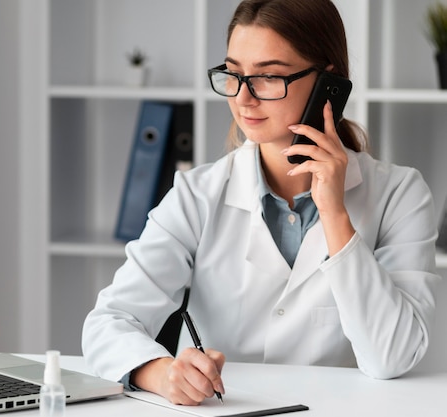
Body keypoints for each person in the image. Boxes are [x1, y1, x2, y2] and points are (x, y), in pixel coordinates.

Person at [82, 0, 440, 406]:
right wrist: (162, 373)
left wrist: (335, 214)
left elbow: (393, 356)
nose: (243, 99)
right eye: (234, 74)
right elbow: (107, 323)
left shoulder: (400, 194)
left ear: (329, 84)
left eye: (268, 77)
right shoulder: (197, 194)